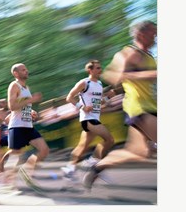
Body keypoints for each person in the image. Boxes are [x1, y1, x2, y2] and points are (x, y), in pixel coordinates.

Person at [82, 21, 157, 189]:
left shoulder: (150, 56)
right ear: (140, 35)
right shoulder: (129, 52)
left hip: (151, 106)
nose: (156, 37)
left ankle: (97, 167)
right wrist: (147, 74)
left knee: (139, 152)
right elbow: (112, 75)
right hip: (138, 107)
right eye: (153, 33)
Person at [61, 60, 115, 180]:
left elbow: (98, 103)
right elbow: (69, 98)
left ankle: (69, 168)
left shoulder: (100, 84)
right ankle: (94, 163)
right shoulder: (84, 83)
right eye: (97, 68)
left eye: (100, 68)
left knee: (82, 146)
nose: (100, 70)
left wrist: (107, 98)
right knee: (109, 140)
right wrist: (82, 107)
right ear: (90, 70)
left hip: (95, 116)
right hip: (88, 118)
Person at [0, 63, 49, 186]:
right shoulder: (14, 86)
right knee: (16, 156)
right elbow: (12, 106)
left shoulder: (26, 87)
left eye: (26, 69)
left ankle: (27, 170)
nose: (26, 71)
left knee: (44, 150)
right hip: (17, 126)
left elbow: (24, 105)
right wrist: (32, 100)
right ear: (16, 73)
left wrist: (31, 111)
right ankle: (7, 183)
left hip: (28, 126)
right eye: (23, 70)